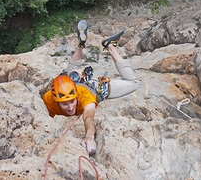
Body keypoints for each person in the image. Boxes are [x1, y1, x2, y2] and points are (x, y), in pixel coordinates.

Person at [42, 20, 140, 155]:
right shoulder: (47, 100)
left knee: (134, 82)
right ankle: (83, 45)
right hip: (73, 80)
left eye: (72, 101)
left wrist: (89, 137)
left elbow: (89, 117)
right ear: (56, 100)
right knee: (71, 72)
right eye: (65, 104)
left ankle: (110, 47)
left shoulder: (84, 97)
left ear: (76, 96)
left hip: (93, 87)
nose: (70, 107)